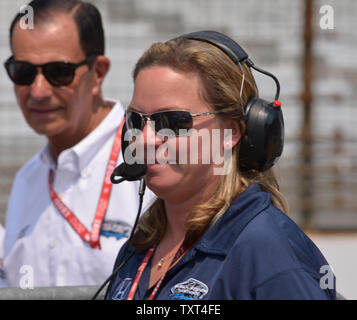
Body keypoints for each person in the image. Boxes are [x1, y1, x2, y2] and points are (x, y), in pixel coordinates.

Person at [106, 31, 336, 300]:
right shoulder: (139, 246)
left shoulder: (269, 252)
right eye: (136, 120)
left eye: (170, 122)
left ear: (230, 133)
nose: (143, 139)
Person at [1, 0, 153, 288]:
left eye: (59, 71)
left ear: (98, 72)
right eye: (23, 71)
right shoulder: (26, 180)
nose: (38, 91)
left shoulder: (153, 161)